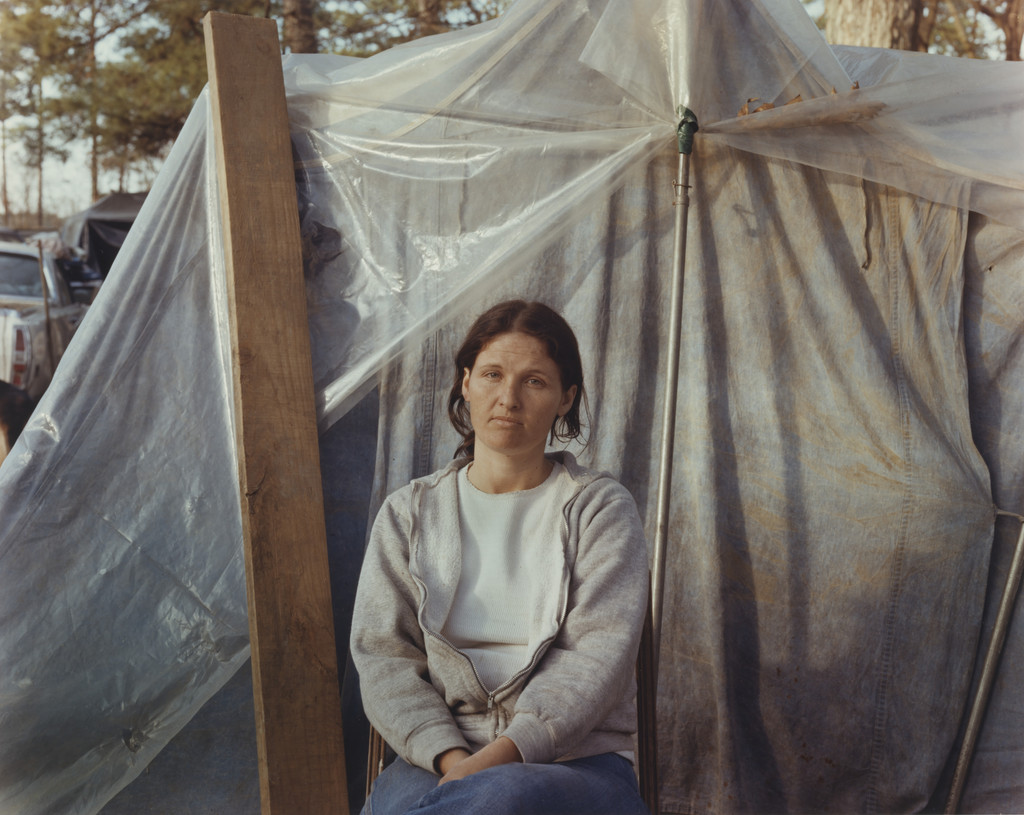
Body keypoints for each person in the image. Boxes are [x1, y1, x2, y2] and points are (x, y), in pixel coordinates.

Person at [351, 299, 650, 815]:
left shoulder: (599, 509)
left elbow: (595, 659)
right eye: (492, 374)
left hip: (577, 762)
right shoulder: (409, 514)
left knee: (501, 800)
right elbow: (384, 658)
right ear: (466, 383)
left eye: (534, 381)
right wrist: (452, 760)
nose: (508, 397)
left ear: (565, 398)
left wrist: (494, 764)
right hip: (438, 754)